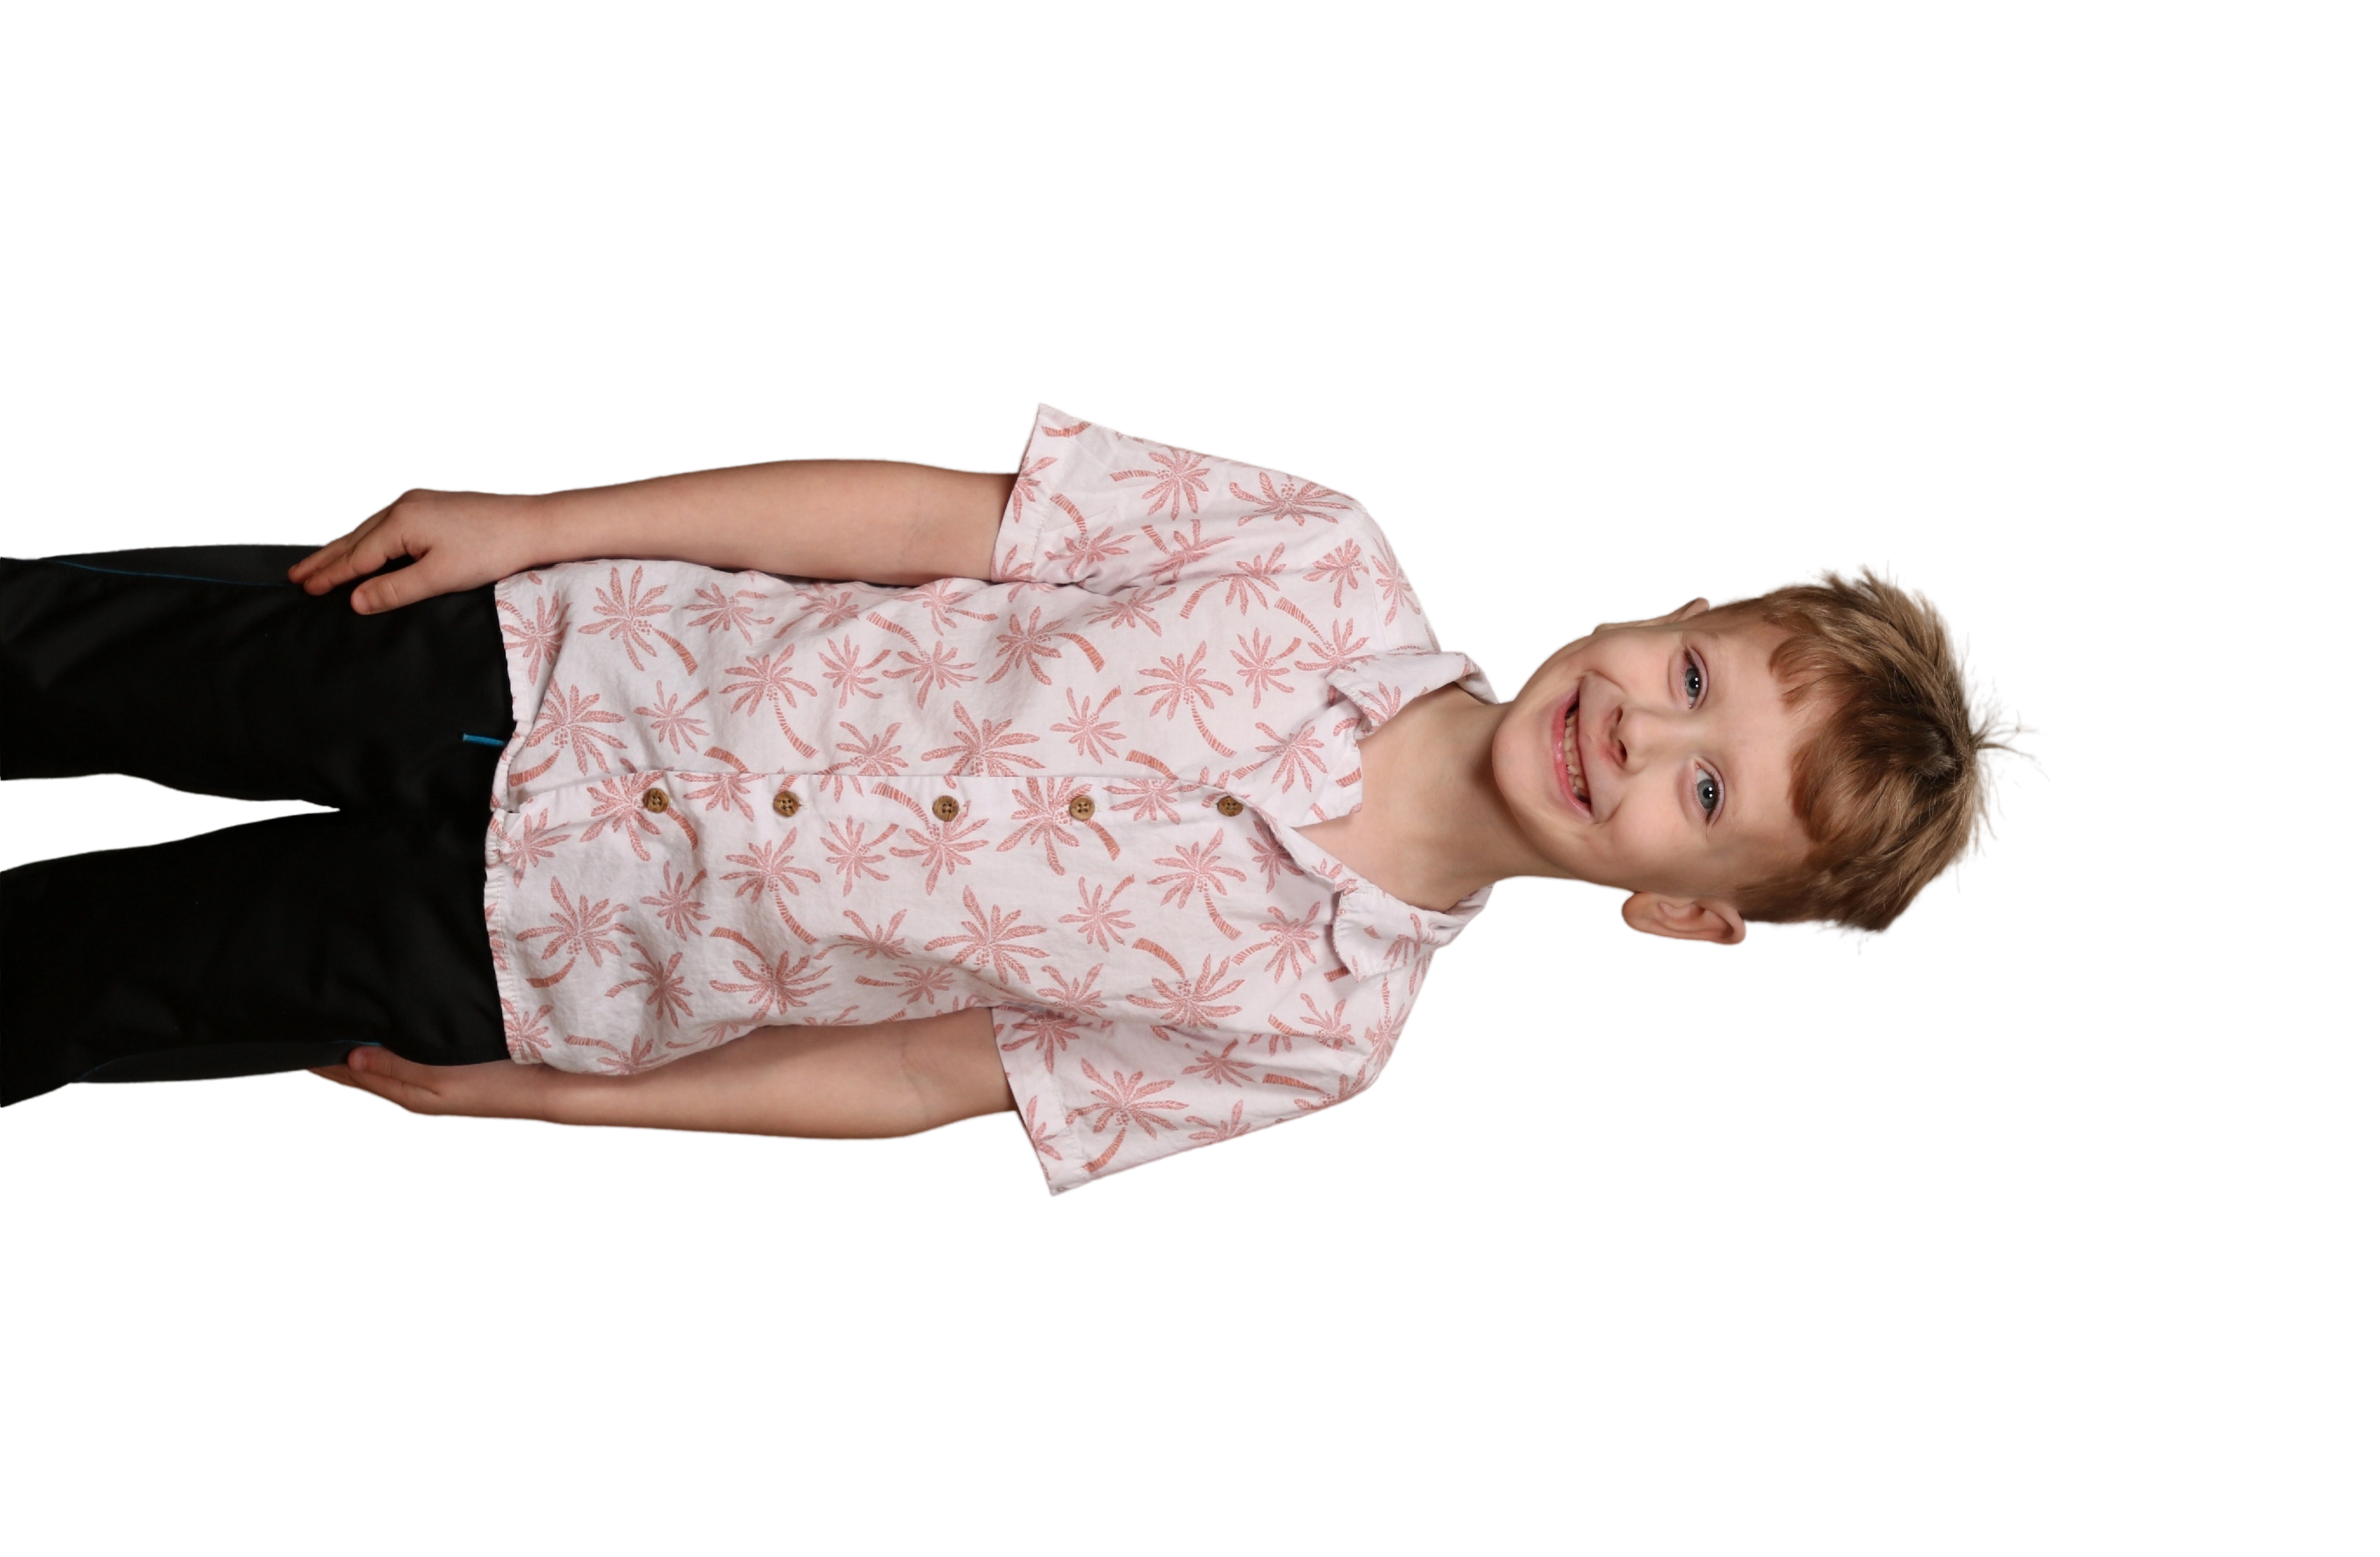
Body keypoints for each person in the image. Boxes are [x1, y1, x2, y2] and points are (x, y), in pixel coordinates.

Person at [1, 400, 2045, 1197]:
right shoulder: (1313, 553)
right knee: (66, 651)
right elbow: (921, 519)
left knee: (81, 982)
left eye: (1709, 794)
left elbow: (916, 1080)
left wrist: (568, 1105)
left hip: (538, 964)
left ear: (1689, 912)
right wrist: (549, 516)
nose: (1643, 737)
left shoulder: (1314, 1030)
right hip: (537, 660)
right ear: (1669, 610)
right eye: (1691, 676)